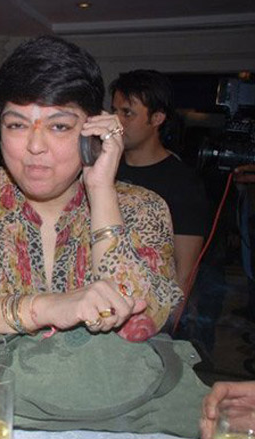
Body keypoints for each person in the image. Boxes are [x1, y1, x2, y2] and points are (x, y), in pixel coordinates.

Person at [0, 35, 183, 380]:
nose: (35, 146)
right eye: (17, 125)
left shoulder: (142, 208)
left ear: (93, 129)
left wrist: (101, 192)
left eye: (59, 126)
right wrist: (48, 308)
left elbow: (145, 319)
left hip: (96, 403)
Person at [110, 70, 209, 295]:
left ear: (157, 118)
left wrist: (173, 314)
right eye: (114, 111)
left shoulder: (183, 182)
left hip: (151, 303)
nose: (117, 121)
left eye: (127, 113)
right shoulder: (105, 169)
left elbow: (185, 271)